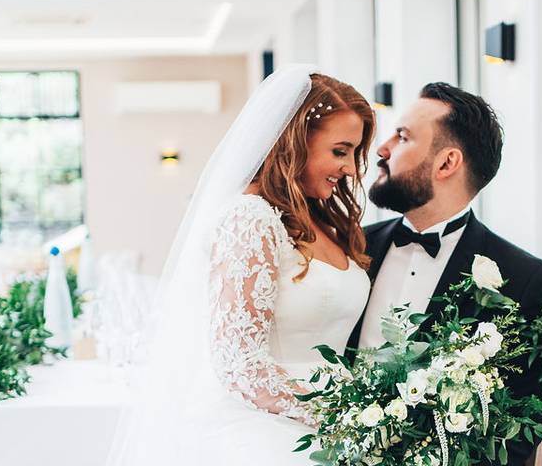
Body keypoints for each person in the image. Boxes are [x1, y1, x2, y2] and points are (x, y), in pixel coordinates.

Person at [110, 67, 375, 464]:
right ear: (294, 142)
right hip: (268, 432)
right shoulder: (250, 219)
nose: (352, 169)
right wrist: (340, 415)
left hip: (336, 431)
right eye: (340, 151)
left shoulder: (324, 221)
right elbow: (240, 364)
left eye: (355, 153)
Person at [348, 82, 542, 466]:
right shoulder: (351, 248)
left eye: (403, 137)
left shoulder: (524, 278)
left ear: (447, 163)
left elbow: (525, 424)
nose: (382, 148)